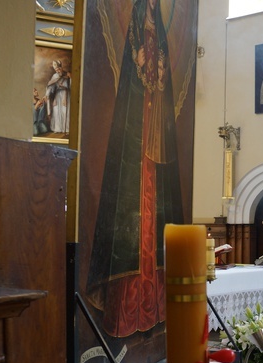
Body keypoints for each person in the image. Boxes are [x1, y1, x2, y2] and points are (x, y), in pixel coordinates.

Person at [86, 0, 184, 338]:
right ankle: (128, 310)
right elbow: (133, 75)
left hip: (155, 133)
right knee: (132, 206)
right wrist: (141, 64)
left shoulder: (160, 38)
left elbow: (163, 81)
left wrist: (158, 71)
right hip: (135, 132)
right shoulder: (134, 34)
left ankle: (153, 307)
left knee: (155, 213)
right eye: (151, 4)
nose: (155, 7)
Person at [44, 60, 70, 134]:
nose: (58, 71)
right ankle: (58, 128)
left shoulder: (67, 75)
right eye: (56, 70)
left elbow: (71, 86)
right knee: (56, 111)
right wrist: (47, 95)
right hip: (57, 95)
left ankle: (66, 129)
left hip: (66, 94)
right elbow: (50, 86)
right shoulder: (55, 76)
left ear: (61, 67)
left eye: (58, 69)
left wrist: (69, 80)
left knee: (64, 111)